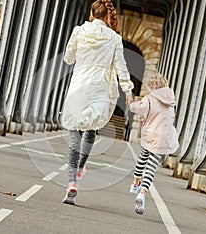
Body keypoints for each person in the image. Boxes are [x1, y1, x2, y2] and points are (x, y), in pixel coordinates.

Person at [61, 0, 134, 205]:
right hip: (101, 88)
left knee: (74, 131)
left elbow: (68, 58)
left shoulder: (79, 31)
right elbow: (121, 66)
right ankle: (82, 165)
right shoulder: (114, 38)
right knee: (91, 129)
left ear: (92, 13)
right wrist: (128, 90)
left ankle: (71, 182)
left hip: (80, 86)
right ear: (106, 16)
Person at [129, 73, 179, 214]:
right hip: (164, 138)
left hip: (151, 135)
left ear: (152, 86)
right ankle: (143, 192)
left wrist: (131, 104)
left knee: (142, 158)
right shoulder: (170, 101)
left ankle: (135, 183)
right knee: (151, 166)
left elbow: (140, 109)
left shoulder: (149, 99)